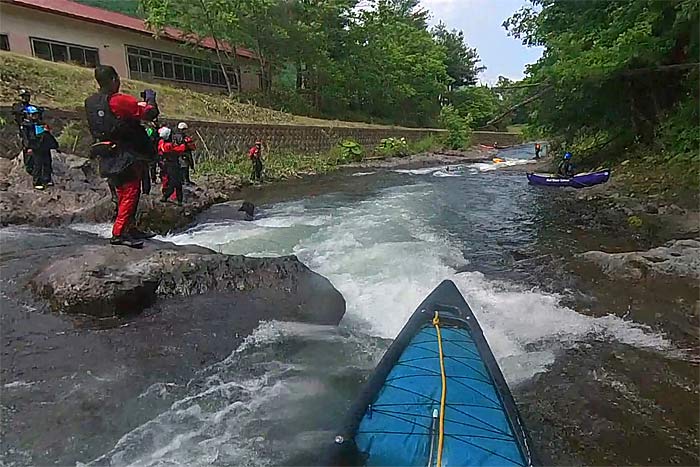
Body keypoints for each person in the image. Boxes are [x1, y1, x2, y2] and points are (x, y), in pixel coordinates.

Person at [85, 65, 158, 248]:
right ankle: (119, 233)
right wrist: (150, 99)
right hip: (125, 154)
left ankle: (130, 228)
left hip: (106, 152)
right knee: (131, 192)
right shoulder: (118, 101)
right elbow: (149, 113)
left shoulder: (91, 102)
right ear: (113, 80)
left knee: (121, 191)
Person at [21, 106, 59, 189]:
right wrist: (28, 147)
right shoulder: (26, 125)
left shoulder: (40, 123)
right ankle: (37, 182)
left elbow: (47, 134)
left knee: (47, 163)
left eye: (36, 114)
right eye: (33, 114)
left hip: (44, 145)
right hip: (35, 146)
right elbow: (26, 138)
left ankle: (46, 179)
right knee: (38, 164)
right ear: (28, 115)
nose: (35, 116)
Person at [158, 126, 187, 206]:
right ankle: (167, 196)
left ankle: (176, 199)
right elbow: (180, 149)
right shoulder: (168, 146)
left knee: (174, 183)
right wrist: (183, 144)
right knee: (175, 183)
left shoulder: (161, 143)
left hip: (166, 164)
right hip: (172, 165)